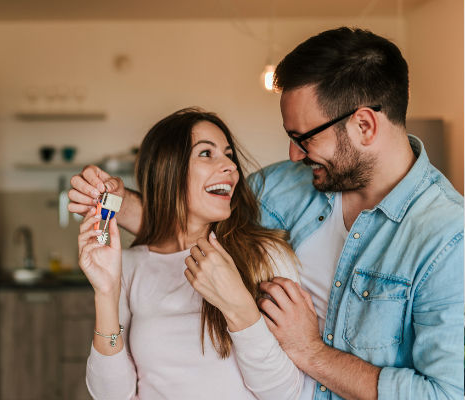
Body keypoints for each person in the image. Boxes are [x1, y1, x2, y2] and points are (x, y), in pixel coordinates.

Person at [69, 27, 464, 400]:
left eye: (303, 138)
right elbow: (190, 221)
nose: (293, 155)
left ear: (364, 125)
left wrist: (310, 350)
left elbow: (446, 394)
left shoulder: (448, 239)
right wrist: (111, 201)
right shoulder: (289, 185)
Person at [77, 108, 304, 399]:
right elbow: (111, 395)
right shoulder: (131, 265)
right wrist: (106, 294)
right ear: (167, 169)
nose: (230, 167)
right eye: (206, 154)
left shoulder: (266, 255)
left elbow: (286, 394)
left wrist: (239, 307)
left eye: (229, 155)